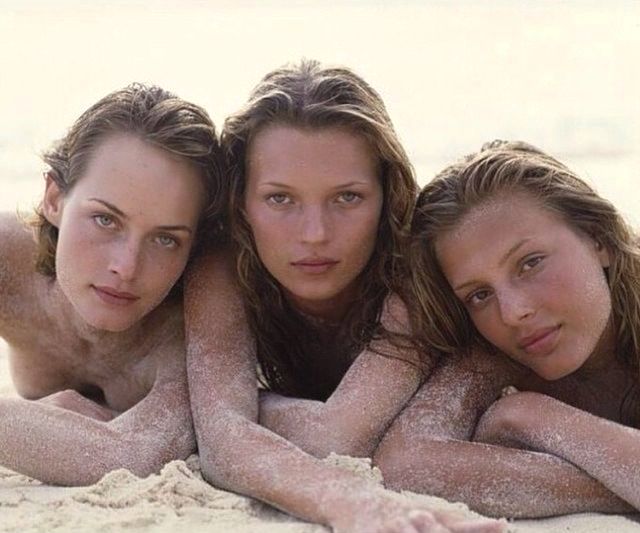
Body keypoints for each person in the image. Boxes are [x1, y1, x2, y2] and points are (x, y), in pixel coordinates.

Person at [185, 60, 504, 532]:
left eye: (347, 197)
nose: (315, 234)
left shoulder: (412, 271)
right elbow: (223, 443)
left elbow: (339, 434)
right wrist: (220, 419)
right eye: (280, 199)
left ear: (387, 194)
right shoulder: (223, 268)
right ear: (241, 202)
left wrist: (232, 406)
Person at [373, 140, 638, 517]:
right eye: (479, 294)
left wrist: (529, 416)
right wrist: (616, 481)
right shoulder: (493, 356)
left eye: (530, 263)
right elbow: (406, 464)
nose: (513, 313)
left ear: (599, 239)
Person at [0, 83, 223, 485]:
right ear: (54, 198)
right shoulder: (8, 260)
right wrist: (46, 414)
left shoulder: (193, 324)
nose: (126, 266)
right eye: (105, 219)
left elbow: (131, 455)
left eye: (165, 239)